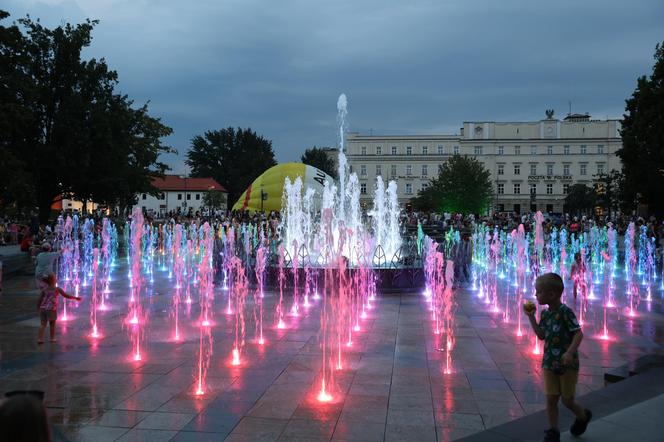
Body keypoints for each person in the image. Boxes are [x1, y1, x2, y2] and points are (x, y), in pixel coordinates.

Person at [524, 273, 592, 442]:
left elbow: (578, 334)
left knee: (567, 400)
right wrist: (531, 317)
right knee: (551, 398)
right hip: (549, 363)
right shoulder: (546, 314)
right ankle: (553, 431)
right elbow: (541, 335)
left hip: (567, 364)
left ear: (552, 295)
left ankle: (583, 415)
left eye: (538, 292)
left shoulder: (565, 312)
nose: (535, 295)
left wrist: (569, 352)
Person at [37, 274, 81, 344]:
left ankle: (40, 339)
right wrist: (75, 298)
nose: (56, 279)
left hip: (43, 309)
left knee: (43, 324)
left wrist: (38, 307)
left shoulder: (44, 289)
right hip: (51, 309)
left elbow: (39, 299)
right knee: (52, 324)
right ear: (53, 281)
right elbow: (66, 295)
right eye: (55, 278)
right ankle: (52, 338)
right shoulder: (57, 289)